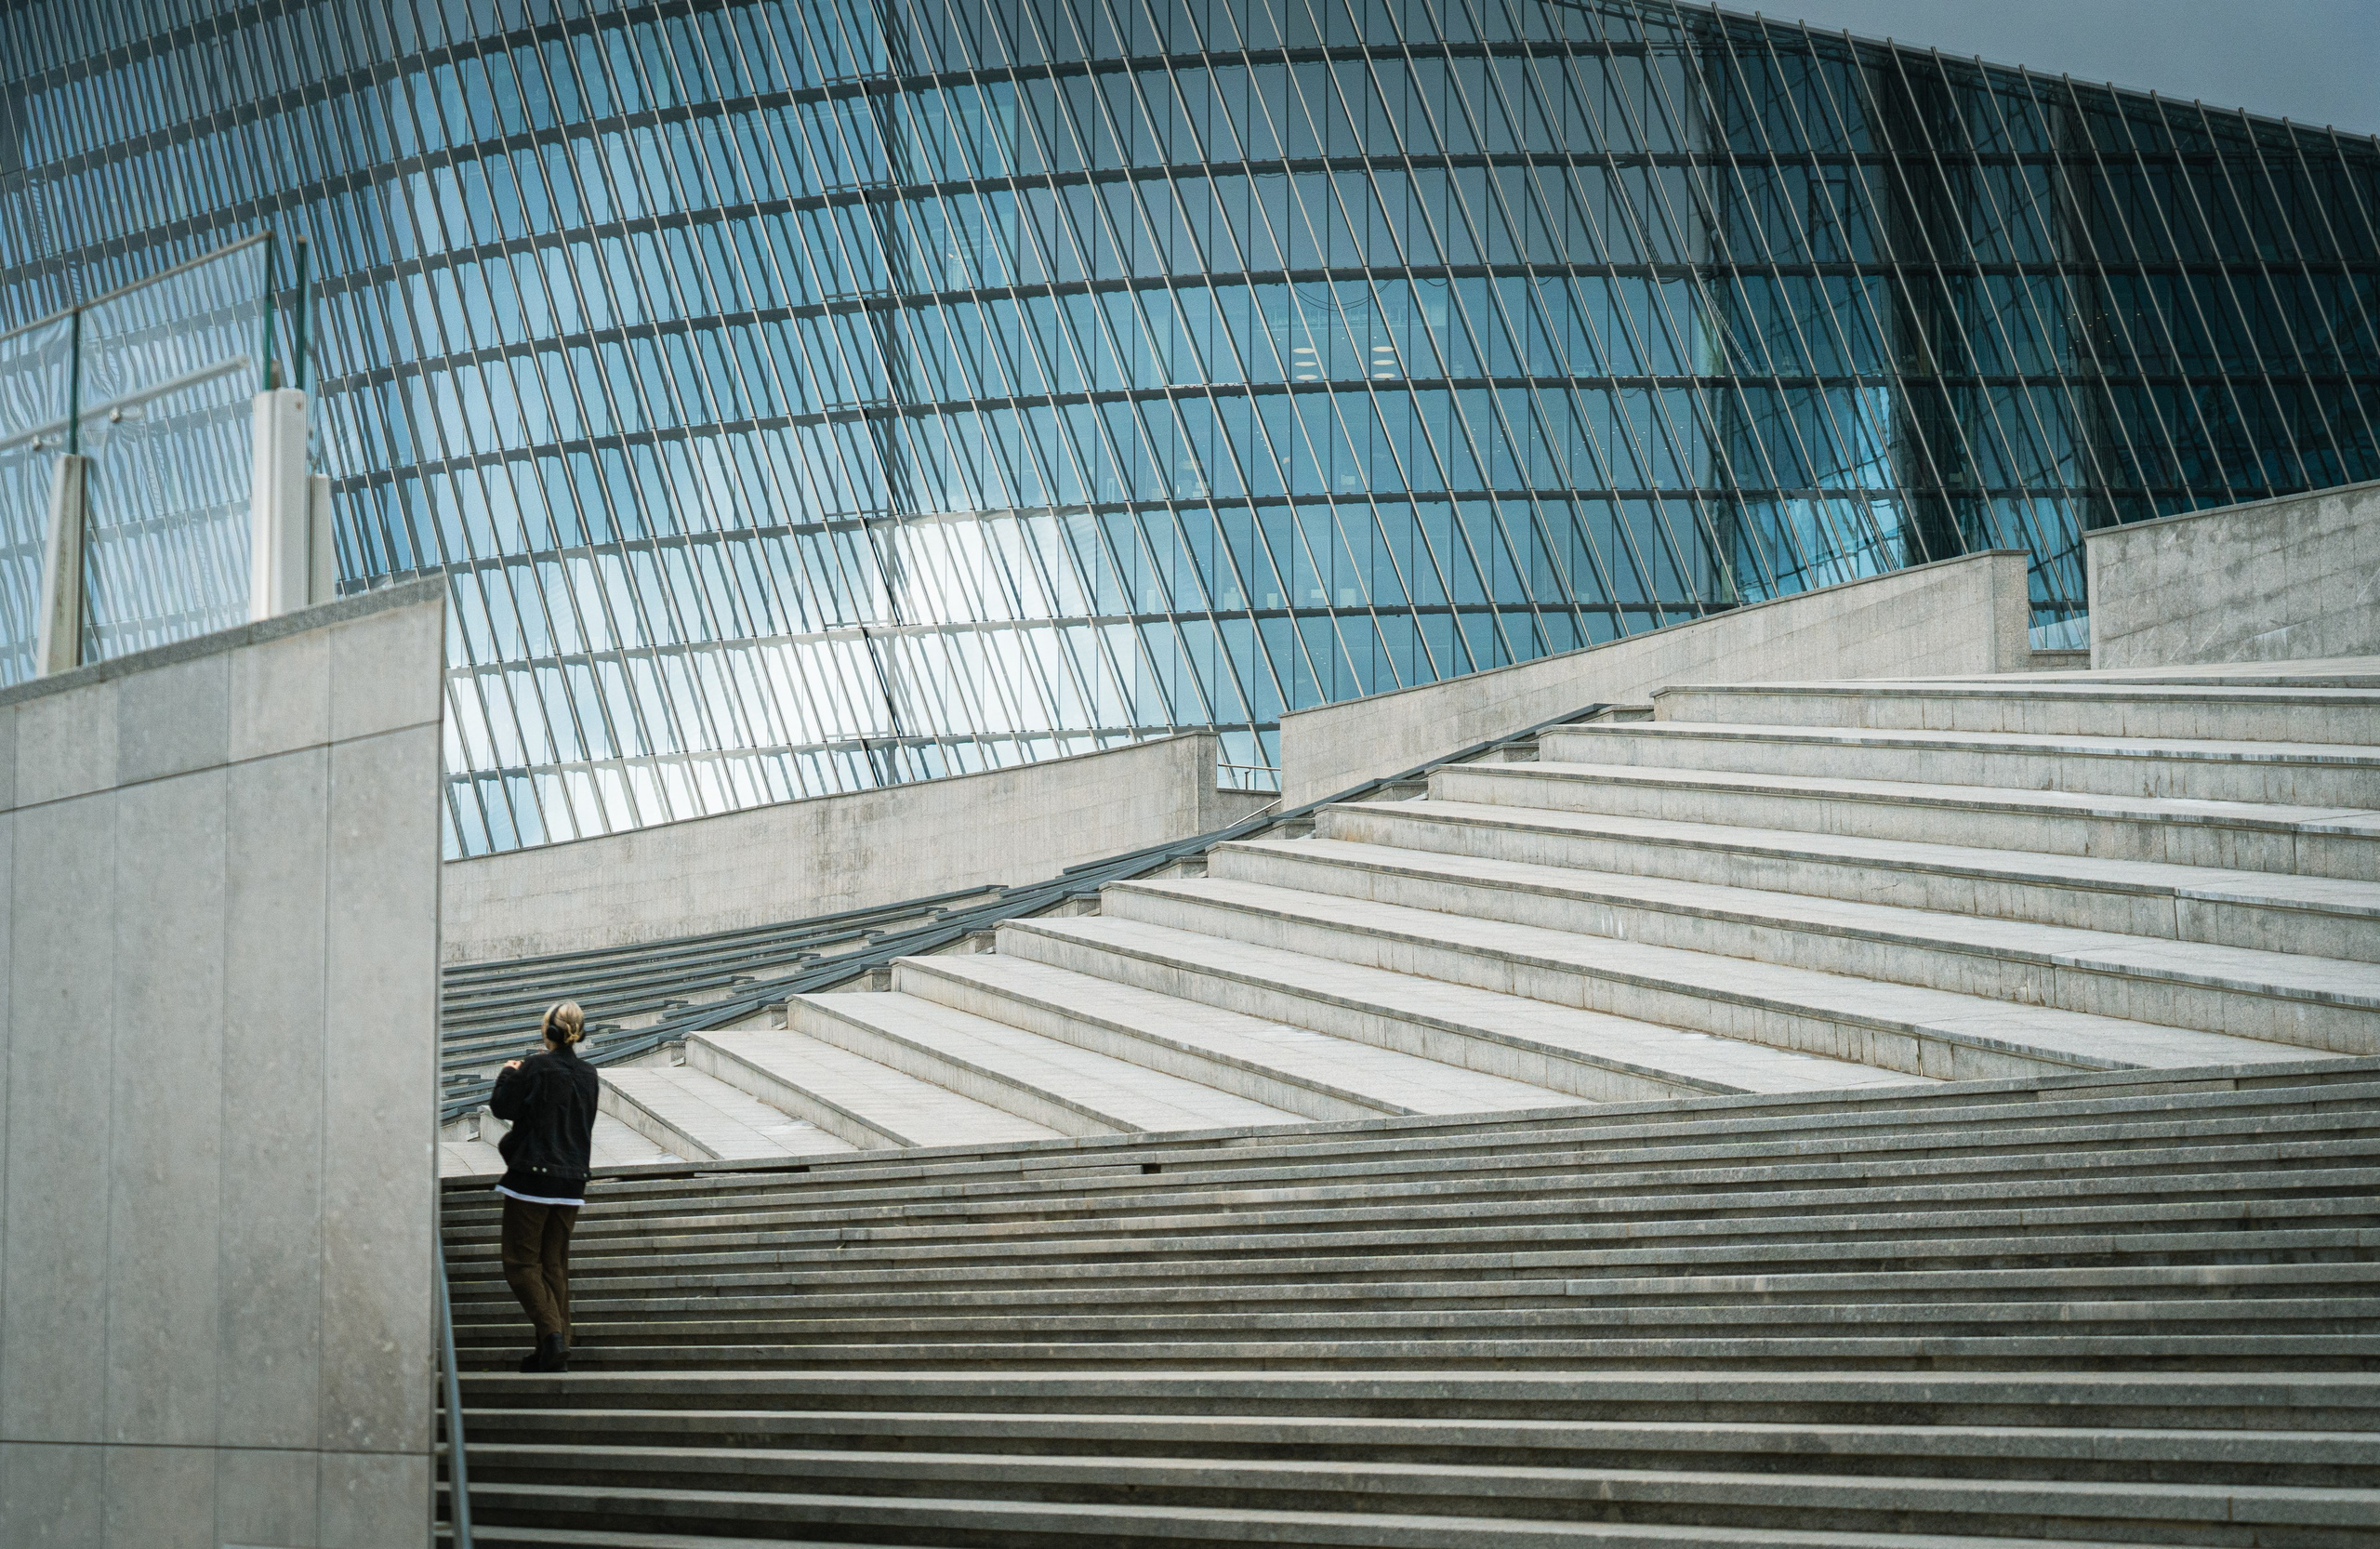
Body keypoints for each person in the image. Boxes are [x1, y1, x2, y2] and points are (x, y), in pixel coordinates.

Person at [489, 1000, 601, 1373]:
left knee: (520, 1262)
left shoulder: (535, 1067)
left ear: (548, 1032)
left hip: (532, 1179)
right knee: (553, 1265)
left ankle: (551, 1335)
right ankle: (555, 1349)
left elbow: (503, 1107)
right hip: (571, 1182)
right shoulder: (589, 1073)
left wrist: (509, 1072)